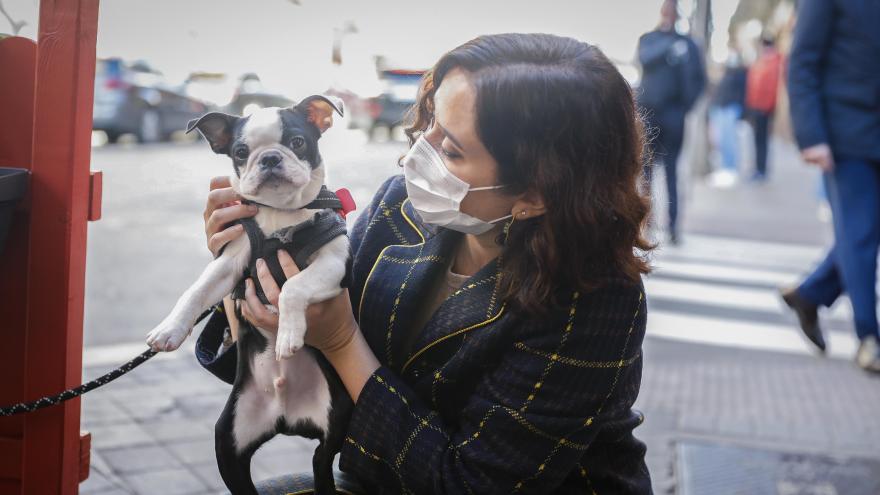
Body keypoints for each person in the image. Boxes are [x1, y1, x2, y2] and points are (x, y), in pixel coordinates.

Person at [195, 33, 654, 493]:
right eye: (431, 119)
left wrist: (341, 340)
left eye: (451, 150)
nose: (419, 151)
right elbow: (299, 360)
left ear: (535, 194)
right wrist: (251, 265)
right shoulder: (399, 209)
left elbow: (470, 482)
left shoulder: (594, 300)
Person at [780, 0, 880, 372]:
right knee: (862, 232)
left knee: (864, 232)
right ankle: (870, 338)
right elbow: (803, 61)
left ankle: (810, 294)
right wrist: (812, 135)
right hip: (845, 136)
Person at [637, 0, 706, 245]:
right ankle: (647, 223)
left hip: (674, 115)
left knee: (673, 172)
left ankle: (674, 226)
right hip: (649, 114)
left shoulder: (689, 45)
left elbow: (699, 80)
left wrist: (684, 107)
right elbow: (644, 59)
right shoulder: (650, 39)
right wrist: (669, 45)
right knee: (645, 173)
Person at [744, 36, 783, 182]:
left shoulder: (771, 62)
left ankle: (761, 170)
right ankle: (758, 168)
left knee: (761, 141)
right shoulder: (763, 61)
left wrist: (766, 107)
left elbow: (770, 87)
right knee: (757, 140)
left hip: (763, 109)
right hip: (757, 107)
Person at [708, 50, 747, 184]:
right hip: (721, 108)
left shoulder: (740, 74)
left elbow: (742, 93)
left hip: (731, 108)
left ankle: (730, 169)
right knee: (722, 141)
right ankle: (726, 168)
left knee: (729, 141)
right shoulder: (725, 73)